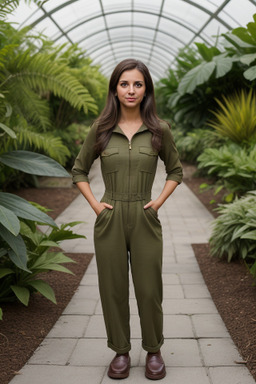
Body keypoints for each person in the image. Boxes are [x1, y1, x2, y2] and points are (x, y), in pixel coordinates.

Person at [72, 58, 183, 380]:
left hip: (146, 217)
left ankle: (153, 350)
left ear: (146, 89)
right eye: (124, 84)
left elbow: (175, 170)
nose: (131, 90)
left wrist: (158, 202)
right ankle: (120, 351)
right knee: (113, 288)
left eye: (137, 84)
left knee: (149, 289)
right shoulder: (101, 129)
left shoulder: (159, 129)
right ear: (115, 89)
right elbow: (79, 170)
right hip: (110, 215)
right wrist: (95, 204)